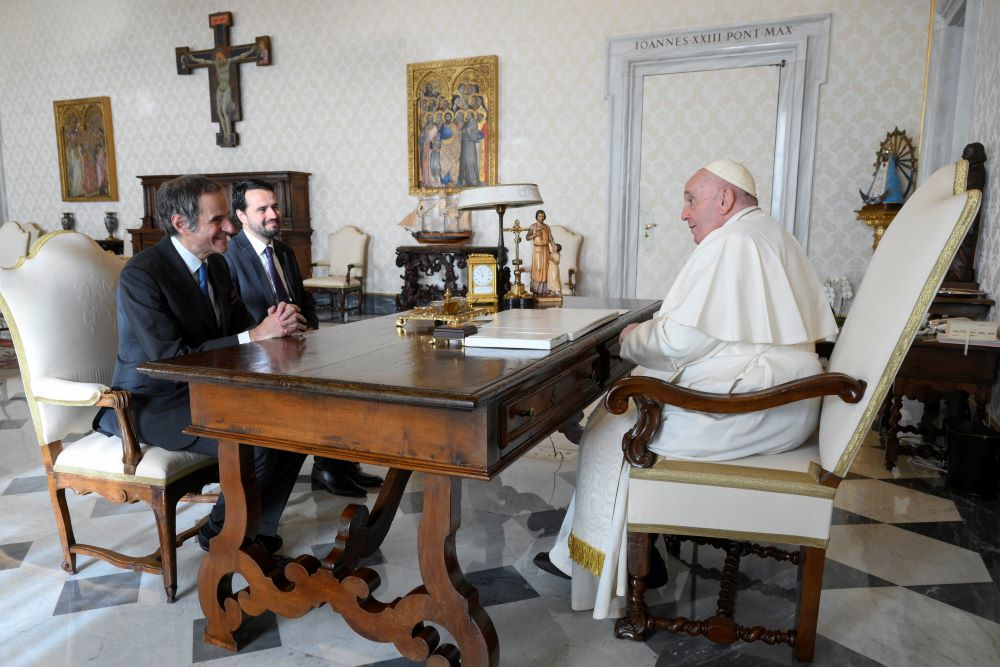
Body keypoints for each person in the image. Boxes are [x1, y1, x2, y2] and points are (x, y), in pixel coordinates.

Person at [536, 161, 838, 619]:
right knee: (621, 415)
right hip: (783, 403)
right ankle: (627, 551)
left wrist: (632, 336)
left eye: (691, 199)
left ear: (725, 199)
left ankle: (616, 563)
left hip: (756, 410)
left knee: (614, 429)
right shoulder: (768, 232)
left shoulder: (731, 243)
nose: (683, 214)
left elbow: (678, 342)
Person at [95, 175, 308, 555]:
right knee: (257, 443)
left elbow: (244, 326)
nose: (230, 227)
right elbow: (169, 359)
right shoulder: (142, 275)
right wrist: (255, 336)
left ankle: (256, 529)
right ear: (181, 224)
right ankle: (222, 535)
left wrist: (278, 321)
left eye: (228, 217)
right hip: (152, 401)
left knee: (298, 428)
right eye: (217, 221)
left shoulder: (218, 266)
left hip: (207, 391)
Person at [225, 179, 383, 497]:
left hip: (297, 344)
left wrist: (309, 329)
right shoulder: (227, 257)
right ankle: (328, 467)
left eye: (275, 206)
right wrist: (270, 331)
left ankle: (339, 463)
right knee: (319, 386)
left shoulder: (283, 252)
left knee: (351, 370)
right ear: (241, 216)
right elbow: (230, 322)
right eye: (263, 209)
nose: (273, 214)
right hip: (257, 353)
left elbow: (305, 303)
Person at [526, 210, 552, 295]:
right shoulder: (533, 226)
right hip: (537, 250)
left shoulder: (547, 227)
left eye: (543, 216)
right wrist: (535, 234)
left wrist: (554, 247)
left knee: (546, 269)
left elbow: (551, 238)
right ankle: (536, 289)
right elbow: (527, 237)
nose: (541, 217)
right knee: (538, 268)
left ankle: (545, 290)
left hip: (546, 249)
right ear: (537, 217)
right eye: (540, 216)